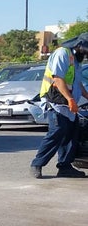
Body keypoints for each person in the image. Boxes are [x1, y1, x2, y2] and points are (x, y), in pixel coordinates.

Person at [30, 32, 88, 178]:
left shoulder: (76, 60)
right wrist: (71, 100)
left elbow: (77, 82)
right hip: (55, 100)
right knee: (57, 131)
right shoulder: (62, 54)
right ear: (79, 46)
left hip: (66, 103)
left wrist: (86, 96)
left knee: (71, 133)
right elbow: (58, 79)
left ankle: (65, 166)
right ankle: (37, 164)